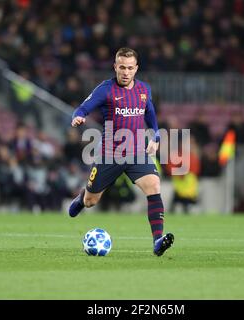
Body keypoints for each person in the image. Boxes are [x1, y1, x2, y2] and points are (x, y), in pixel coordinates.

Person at [68, 48, 174, 256]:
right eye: (122, 67)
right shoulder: (105, 90)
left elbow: (150, 115)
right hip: (110, 154)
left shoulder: (144, 90)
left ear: (136, 69)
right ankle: (82, 199)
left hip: (136, 152)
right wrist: (78, 117)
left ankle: (157, 241)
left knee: (154, 185)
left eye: (130, 68)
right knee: (92, 201)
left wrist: (156, 137)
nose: (125, 72)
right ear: (115, 67)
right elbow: (82, 108)